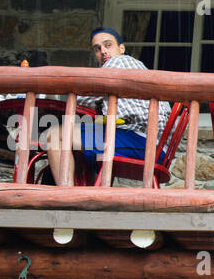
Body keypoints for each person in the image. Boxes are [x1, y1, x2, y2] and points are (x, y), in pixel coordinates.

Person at [48, 26, 170, 183]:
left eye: (108, 45)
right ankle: (85, 198)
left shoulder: (121, 61)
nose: (103, 51)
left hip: (144, 143)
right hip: (146, 142)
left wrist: (61, 94)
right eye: (97, 49)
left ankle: (67, 197)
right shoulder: (126, 69)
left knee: (54, 135)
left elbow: (87, 94)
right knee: (82, 141)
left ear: (122, 48)